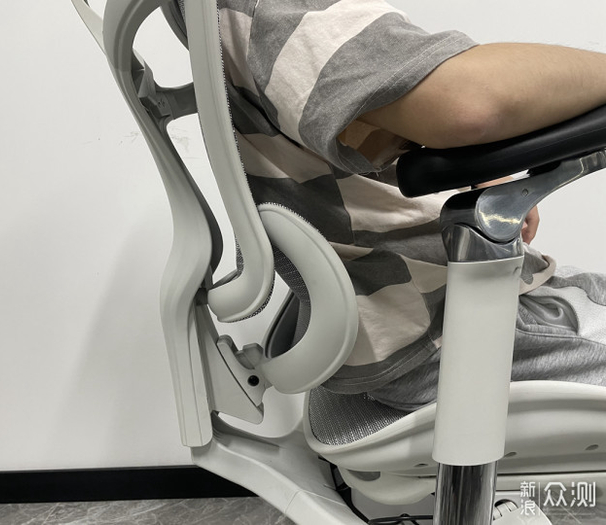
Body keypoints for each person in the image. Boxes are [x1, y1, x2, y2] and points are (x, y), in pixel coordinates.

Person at [216, 0, 606, 410]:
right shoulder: (276, 7)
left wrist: (475, 162)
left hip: (446, 308)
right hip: (450, 326)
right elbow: (466, 102)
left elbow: (373, 116)